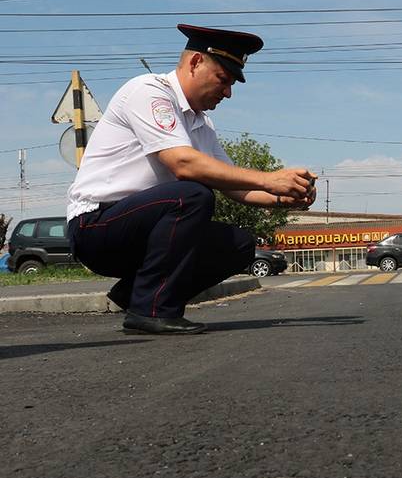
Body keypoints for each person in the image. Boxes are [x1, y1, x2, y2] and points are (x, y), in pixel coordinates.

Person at [66, 24, 316, 334]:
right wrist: (269, 179)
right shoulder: (149, 91)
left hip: (146, 232)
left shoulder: (201, 123)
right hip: (97, 227)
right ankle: (152, 310)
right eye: (223, 80)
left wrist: (286, 195)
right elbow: (182, 163)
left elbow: (235, 185)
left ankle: (137, 296)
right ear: (195, 63)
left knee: (238, 245)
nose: (228, 92)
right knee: (192, 194)